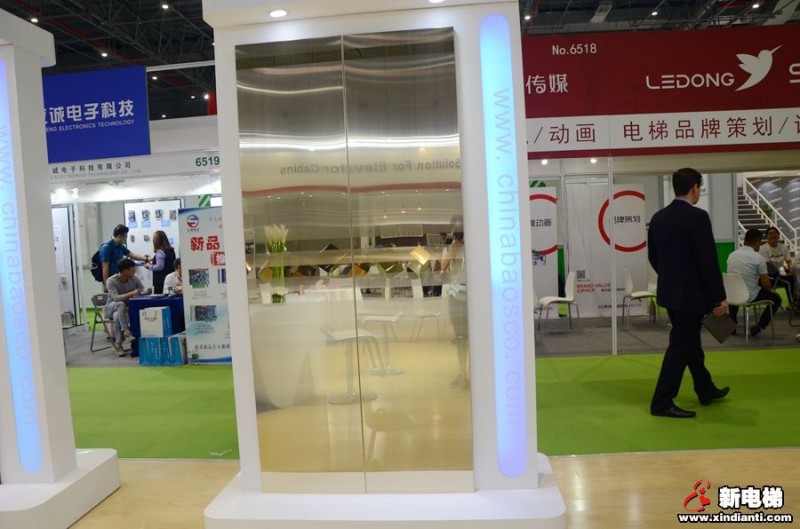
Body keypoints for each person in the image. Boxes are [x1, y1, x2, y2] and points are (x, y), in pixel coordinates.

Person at [647, 168, 729, 418]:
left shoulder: (658, 217)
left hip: (670, 294)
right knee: (681, 346)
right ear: (695, 187)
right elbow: (707, 261)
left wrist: (671, 278)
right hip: (691, 296)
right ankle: (661, 402)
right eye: (699, 187)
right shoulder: (698, 217)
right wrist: (719, 297)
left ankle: (705, 389)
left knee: (691, 343)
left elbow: (653, 257)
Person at [727, 228, 782, 337]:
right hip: (749, 296)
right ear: (757, 242)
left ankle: (732, 324)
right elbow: (766, 284)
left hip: (732, 295)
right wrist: (772, 291)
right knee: (776, 299)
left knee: (736, 289)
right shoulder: (758, 258)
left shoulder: (732, 255)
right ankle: (760, 326)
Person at [440, 215, 468, 390]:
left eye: (460, 229)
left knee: (474, 337)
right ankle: (462, 372)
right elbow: (442, 268)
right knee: (460, 337)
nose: (458, 233)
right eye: (455, 229)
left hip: (473, 299)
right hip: (456, 297)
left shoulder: (474, 246)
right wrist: (453, 249)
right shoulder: (449, 248)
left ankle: (475, 372)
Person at [105, 258, 151, 356]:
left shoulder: (134, 278)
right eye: (133, 268)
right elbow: (116, 298)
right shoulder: (111, 281)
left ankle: (118, 345)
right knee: (120, 304)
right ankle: (126, 331)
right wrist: (132, 293)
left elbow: (141, 290)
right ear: (125, 270)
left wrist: (147, 291)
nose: (135, 270)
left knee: (117, 316)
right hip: (111, 307)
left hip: (124, 309)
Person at [100, 224, 149, 292]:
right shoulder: (107, 247)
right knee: (115, 297)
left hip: (120, 278)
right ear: (119, 236)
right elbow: (105, 267)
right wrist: (106, 284)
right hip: (112, 280)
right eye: (125, 237)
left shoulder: (120, 246)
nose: (126, 238)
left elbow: (132, 255)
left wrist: (146, 259)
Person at [758, 226, 794, 304]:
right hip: (769, 275)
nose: (772, 235)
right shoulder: (762, 248)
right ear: (767, 236)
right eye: (770, 234)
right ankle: (792, 304)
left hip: (781, 272)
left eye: (774, 233)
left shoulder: (783, 247)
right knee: (789, 281)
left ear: (778, 235)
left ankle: (794, 303)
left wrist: (791, 270)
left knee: (793, 278)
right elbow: (768, 266)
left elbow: (789, 262)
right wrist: (783, 271)